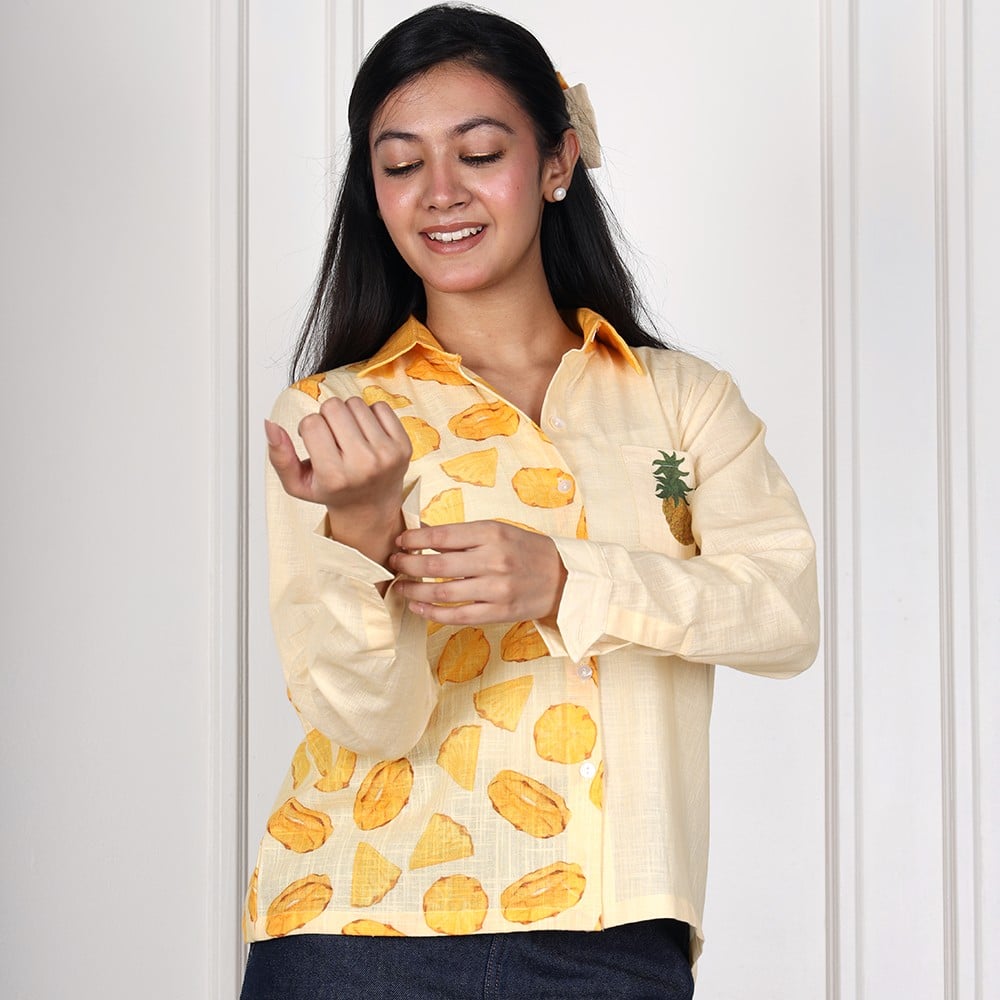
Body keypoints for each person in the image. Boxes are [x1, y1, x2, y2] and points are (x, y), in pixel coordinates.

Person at [239, 4, 820, 997]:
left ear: (556, 163)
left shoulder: (679, 399)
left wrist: (565, 580)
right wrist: (364, 527)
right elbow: (369, 719)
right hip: (355, 926)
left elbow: (783, 614)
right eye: (401, 163)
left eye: (478, 153)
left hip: (612, 935)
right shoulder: (334, 418)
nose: (440, 192)